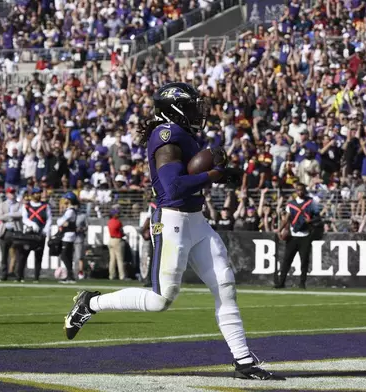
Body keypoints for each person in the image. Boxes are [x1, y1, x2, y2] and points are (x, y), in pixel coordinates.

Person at [64, 82, 284, 381]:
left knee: (225, 286)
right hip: (173, 221)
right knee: (160, 299)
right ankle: (89, 303)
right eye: (193, 105)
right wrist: (212, 174)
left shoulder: (183, 134)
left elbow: (190, 177)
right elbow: (174, 186)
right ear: (176, 108)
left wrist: (220, 175)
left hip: (196, 219)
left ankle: (244, 361)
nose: (198, 111)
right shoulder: (167, 135)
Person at [275, 182, 319, 290]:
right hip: (293, 235)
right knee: (287, 260)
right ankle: (281, 282)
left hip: (305, 235)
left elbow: (317, 218)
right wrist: (279, 229)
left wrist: (311, 220)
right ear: (296, 192)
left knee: (304, 261)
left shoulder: (310, 202)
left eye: (302, 190)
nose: (300, 192)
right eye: (298, 190)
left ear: (304, 190)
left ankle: (302, 283)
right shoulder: (291, 204)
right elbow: (287, 219)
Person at [18, 187, 52, 283]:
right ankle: (20, 276)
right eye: (36, 193)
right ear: (32, 194)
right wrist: (32, 224)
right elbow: (24, 218)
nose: (38, 195)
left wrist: (46, 230)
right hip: (28, 234)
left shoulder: (46, 206)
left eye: (39, 193)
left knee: (39, 256)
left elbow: (49, 219)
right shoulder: (26, 206)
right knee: (23, 255)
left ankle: (36, 277)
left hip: (40, 234)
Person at [0, 188, 22, 281]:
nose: (13, 194)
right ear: (7, 194)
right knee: (4, 255)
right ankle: (3, 274)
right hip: (5, 231)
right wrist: (10, 216)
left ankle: (15, 274)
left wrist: (9, 215)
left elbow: (21, 214)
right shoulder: (2, 204)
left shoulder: (18, 204)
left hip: (15, 231)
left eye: (13, 192)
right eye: (11, 192)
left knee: (17, 254)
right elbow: (0, 216)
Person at [57, 192, 79, 283]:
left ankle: (70, 275)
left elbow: (60, 222)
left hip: (68, 236)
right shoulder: (70, 210)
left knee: (64, 256)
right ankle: (70, 276)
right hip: (69, 235)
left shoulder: (70, 211)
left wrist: (61, 221)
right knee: (68, 256)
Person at [107, 206, 126, 280]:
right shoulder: (118, 222)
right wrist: (123, 234)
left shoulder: (109, 221)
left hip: (111, 240)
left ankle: (111, 275)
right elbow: (121, 232)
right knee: (119, 259)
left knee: (112, 259)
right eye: (117, 213)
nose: (118, 214)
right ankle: (122, 276)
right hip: (117, 240)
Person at [73, 202, 88, 280]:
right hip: (69, 238)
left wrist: (81, 229)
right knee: (69, 257)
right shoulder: (70, 214)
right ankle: (70, 272)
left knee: (79, 257)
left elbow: (86, 227)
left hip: (78, 238)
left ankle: (80, 273)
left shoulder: (82, 216)